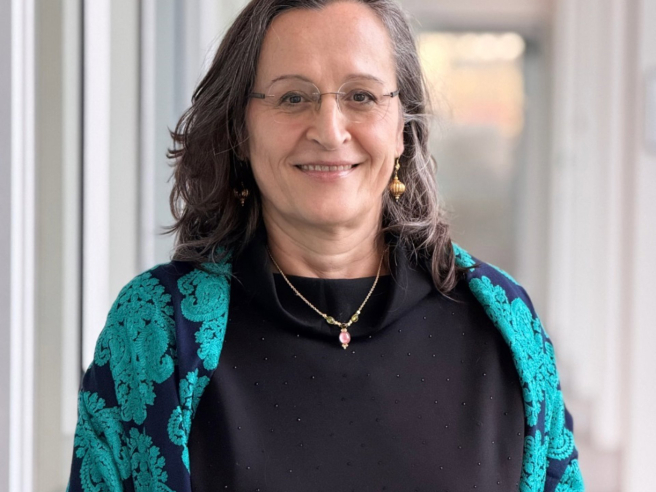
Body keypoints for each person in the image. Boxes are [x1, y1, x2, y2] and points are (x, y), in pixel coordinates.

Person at [67, 0, 584, 491]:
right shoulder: (156, 327)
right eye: (293, 97)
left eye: (361, 96)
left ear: (401, 128)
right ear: (241, 129)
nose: (330, 131)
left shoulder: (503, 325)